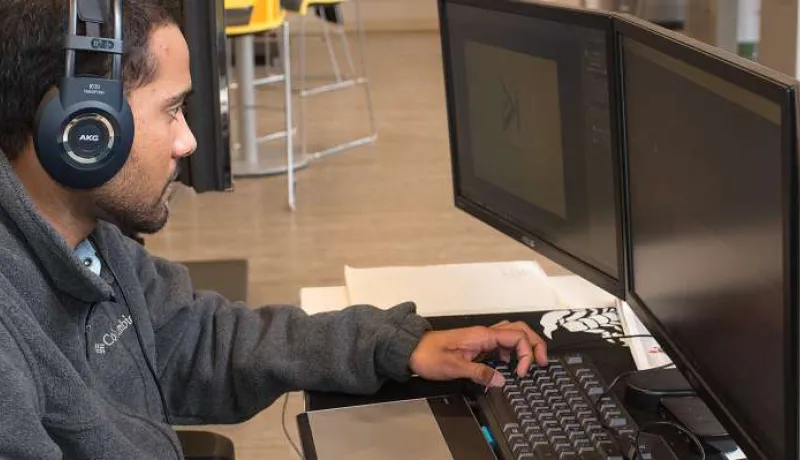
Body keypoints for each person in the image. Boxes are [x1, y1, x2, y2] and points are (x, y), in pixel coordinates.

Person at [0, 0, 548, 457]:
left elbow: (197, 341)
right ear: (83, 130)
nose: (187, 142)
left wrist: (395, 345)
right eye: (171, 110)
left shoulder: (92, 243)